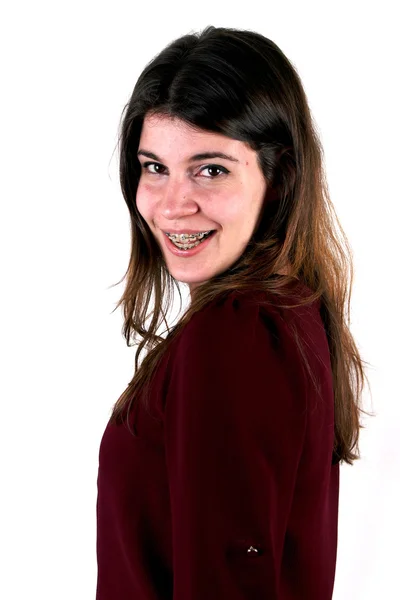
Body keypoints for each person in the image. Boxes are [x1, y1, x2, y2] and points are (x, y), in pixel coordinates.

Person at [95, 25, 371, 599]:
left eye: (211, 169)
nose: (173, 204)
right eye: (154, 166)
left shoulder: (237, 334)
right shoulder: (289, 313)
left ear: (280, 177)